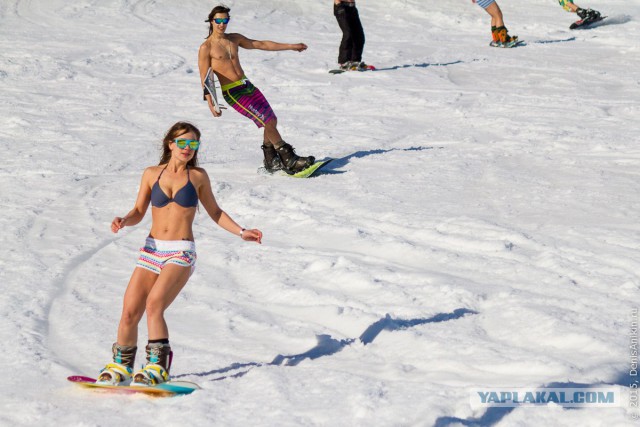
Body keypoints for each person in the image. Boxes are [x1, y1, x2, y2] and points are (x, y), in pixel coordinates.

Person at [97, 121, 263, 386]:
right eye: (182, 142)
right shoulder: (151, 173)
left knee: (154, 305)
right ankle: (121, 366)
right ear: (170, 144)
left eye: (193, 143)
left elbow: (216, 212)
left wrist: (241, 231)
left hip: (181, 252)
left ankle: (157, 368)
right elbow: (139, 211)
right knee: (129, 311)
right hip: (151, 250)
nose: (188, 148)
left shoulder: (197, 177)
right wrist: (124, 219)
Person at [198, 5, 314, 175]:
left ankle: (270, 159)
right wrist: (211, 102)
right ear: (212, 21)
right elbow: (205, 77)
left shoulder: (234, 38)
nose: (222, 24)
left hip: (247, 85)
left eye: (225, 20)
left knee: (272, 120)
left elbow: (260, 44)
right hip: (233, 92)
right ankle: (289, 159)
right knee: (267, 121)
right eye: (218, 20)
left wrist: (290, 46)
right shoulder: (206, 47)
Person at [333, 0, 368, 71]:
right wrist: (339, 5)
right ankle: (344, 62)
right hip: (341, 7)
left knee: (359, 35)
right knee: (348, 34)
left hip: (352, 8)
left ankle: (355, 61)